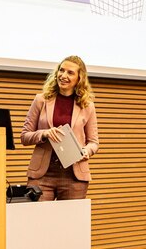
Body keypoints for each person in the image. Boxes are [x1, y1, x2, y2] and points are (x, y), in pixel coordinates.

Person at [20, 55, 99, 201]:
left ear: (79, 78)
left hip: (74, 175)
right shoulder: (40, 100)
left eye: (70, 72)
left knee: (70, 223)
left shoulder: (87, 106)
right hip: (42, 174)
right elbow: (24, 136)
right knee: (37, 221)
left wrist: (86, 151)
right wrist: (44, 133)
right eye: (61, 70)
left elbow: (94, 142)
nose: (63, 75)